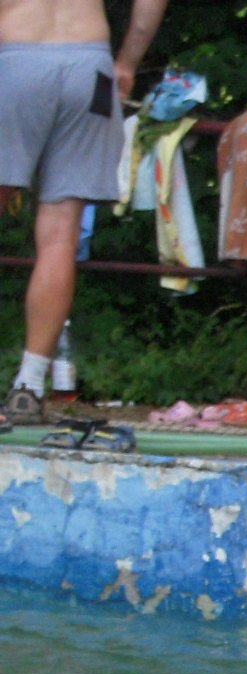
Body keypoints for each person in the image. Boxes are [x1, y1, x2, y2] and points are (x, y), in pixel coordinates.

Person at [0, 0, 167, 426]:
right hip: (91, 70)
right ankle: (29, 387)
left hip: (13, 59)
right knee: (61, 236)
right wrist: (127, 62)